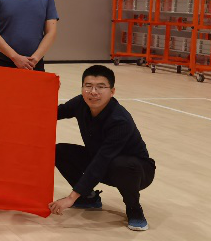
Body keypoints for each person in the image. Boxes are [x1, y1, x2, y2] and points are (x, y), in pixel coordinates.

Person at [49, 65, 155, 231]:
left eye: (100, 87)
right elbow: (51, 113)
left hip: (136, 171)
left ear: (112, 91)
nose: (93, 92)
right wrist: (47, 92)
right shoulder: (80, 102)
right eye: (88, 86)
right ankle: (87, 197)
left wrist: (71, 198)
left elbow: (102, 160)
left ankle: (134, 209)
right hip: (102, 161)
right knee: (59, 151)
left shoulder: (120, 120)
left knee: (122, 164)